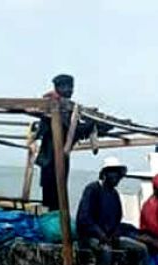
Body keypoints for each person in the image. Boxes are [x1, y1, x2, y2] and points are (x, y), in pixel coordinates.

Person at [34, 74, 111, 211]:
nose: (70, 90)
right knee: (53, 194)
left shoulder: (67, 107)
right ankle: (56, 222)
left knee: (58, 192)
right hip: (51, 158)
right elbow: (72, 130)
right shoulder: (53, 104)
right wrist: (91, 125)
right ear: (58, 87)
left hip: (60, 157)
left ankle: (56, 219)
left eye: (71, 87)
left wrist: (96, 126)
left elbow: (75, 131)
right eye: (67, 87)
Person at [76, 157, 149, 265]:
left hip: (109, 238)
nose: (117, 177)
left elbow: (117, 219)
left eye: (118, 174)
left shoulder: (114, 194)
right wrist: (100, 234)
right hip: (90, 238)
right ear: (105, 174)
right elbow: (84, 219)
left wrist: (114, 234)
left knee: (141, 249)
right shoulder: (92, 189)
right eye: (113, 172)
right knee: (106, 252)